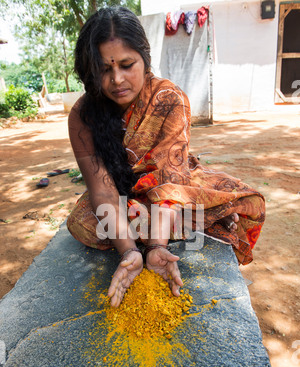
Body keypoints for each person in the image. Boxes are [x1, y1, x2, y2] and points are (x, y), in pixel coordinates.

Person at [67, 6, 265, 307]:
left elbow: (170, 180)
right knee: (83, 222)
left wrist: (156, 247)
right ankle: (182, 224)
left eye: (126, 64)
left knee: (228, 196)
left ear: (145, 60)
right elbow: (102, 190)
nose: (117, 79)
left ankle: (158, 229)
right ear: (91, 71)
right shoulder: (82, 114)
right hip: (123, 194)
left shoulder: (168, 99)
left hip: (171, 187)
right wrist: (130, 252)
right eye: (105, 69)